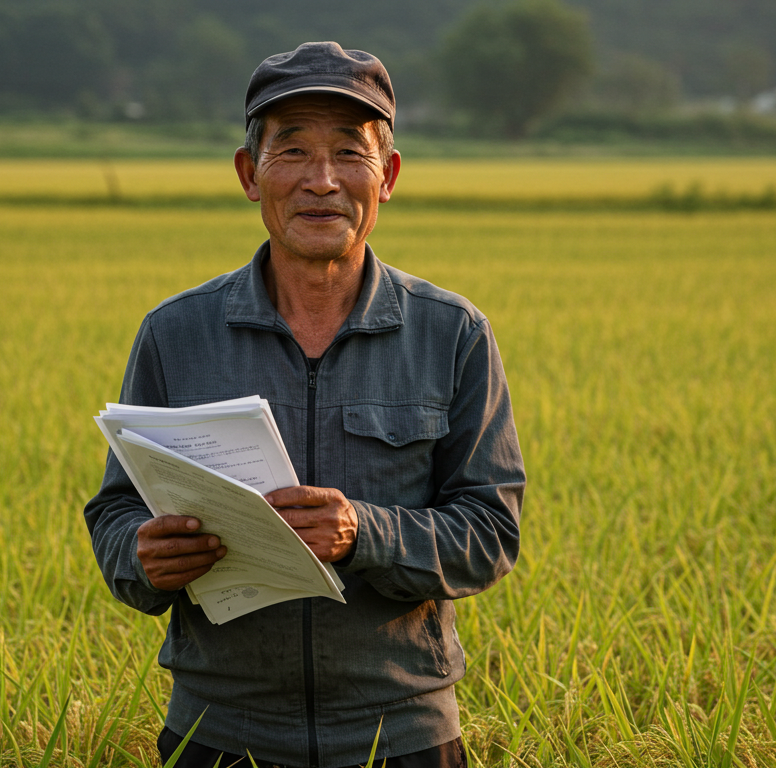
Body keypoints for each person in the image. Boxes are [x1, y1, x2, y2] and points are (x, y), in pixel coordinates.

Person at [83, 42, 525, 768]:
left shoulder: (452, 334)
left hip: (403, 735)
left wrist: (364, 532)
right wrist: (142, 553)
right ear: (249, 175)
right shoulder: (176, 334)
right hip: (219, 733)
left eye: (350, 153)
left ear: (388, 177)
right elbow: (113, 511)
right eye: (291, 152)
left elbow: (490, 531)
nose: (322, 181)